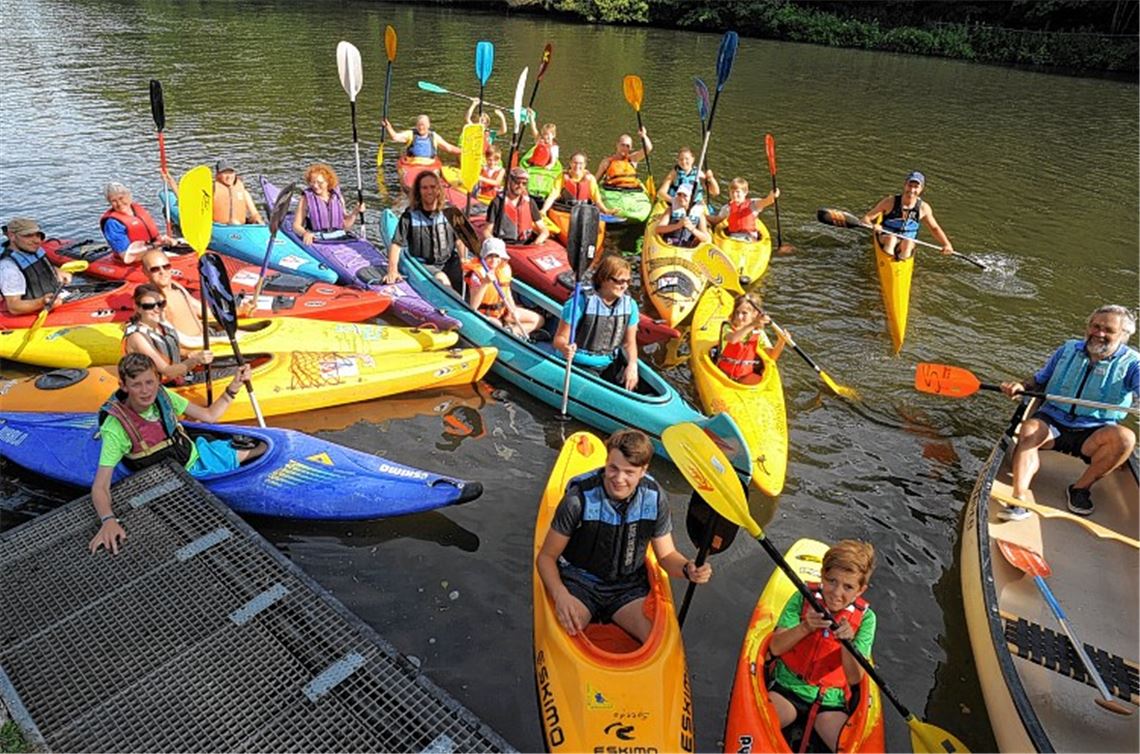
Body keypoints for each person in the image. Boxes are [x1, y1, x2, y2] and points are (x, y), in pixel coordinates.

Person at [536, 428, 711, 643]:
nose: (618, 479)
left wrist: (688, 569)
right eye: (613, 468)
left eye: (629, 472)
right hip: (580, 582)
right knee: (569, 634)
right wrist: (560, 594)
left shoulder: (654, 499)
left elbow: (666, 556)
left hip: (626, 588)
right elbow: (546, 558)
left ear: (643, 471)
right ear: (606, 462)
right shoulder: (577, 500)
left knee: (657, 640)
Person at [88, 353, 261, 555]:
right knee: (251, 455)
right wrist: (108, 520)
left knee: (261, 450)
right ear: (124, 386)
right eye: (136, 385)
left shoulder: (164, 396)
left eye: (150, 382)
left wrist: (235, 385)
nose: (145, 391)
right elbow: (100, 486)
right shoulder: (115, 429)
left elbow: (210, 415)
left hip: (197, 452)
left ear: (158, 381)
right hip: (178, 475)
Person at [998, 305, 1139, 519]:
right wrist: (1021, 386)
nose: (1099, 333)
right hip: (1052, 421)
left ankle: (1080, 489)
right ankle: (1018, 500)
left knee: (1126, 439)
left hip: (1094, 432)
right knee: (1028, 429)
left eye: (1108, 330)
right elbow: (1038, 380)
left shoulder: (1133, 364)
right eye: (1095, 326)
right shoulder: (1068, 349)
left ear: (1123, 335)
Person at [768, 540, 877, 753]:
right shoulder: (802, 598)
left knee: (851, 747)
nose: (837, 593)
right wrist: (806, 626)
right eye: (832, 581)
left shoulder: (866, 619)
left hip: (829, 702)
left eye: (848, 587)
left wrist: (847, 644)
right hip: (787, 689)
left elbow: (855, 679)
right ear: (822, 577)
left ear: (860, 590)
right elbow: (776, 647)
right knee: (763, 722)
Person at [553, 255, 640, 391]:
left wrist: (632, 365)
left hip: (609, 362)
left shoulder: (630, 305)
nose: (624, 286)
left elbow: (629, 342)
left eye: (628, 281)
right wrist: (565, 348)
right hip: (579, 362)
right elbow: (559, 339)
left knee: (633, 386)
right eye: (619, 281)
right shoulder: (580, 302)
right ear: (603, 279)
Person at [386, 170, 467, 289]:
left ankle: (475, 306)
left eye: (433, 187)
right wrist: (392, 270)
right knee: (442, 279)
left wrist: (464, 260)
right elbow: (396, 245)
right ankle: (455, 304)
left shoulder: (450, 213)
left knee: (475, 276)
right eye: (424, 188)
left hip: (449, 261)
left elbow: (459, 241)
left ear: (439, 189)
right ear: (419, 191)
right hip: (423, 265)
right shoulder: (409, 216)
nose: (429, 191)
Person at [122, 283, 214, 384]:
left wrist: (188, 354)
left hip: (183, 377)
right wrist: (195, 361)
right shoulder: (137, 337)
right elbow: (167, 371)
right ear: (137, 308)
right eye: (149, 306)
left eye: (161, 304)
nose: (157, 309)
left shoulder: (163, 325)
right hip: (158, 387)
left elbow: (169, 349)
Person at [860, 171, 954, 260]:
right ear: (905, 185)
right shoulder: (889, 202)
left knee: (908, 242)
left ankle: (901, 262)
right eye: (910, 185)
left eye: (916, 187)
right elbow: (866, 219)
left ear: (921, 189)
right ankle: (888, 261)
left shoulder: (923, 208)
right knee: (891, 239)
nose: (912, 190)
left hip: (907, 240)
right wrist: (873, 226)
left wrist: (947, 244)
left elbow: (934, 228)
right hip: (886, 236)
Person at [465, 238, 544, 336]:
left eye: (497, 256)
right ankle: (509, 333)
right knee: (497, 328)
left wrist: (513, 309)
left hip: (503, 311)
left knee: (539, 320)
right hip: (486, 314)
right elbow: (473, 306)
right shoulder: (477, 275)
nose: (494, 260)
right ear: (484, 256)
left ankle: (512, 331)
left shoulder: (504, 269)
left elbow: (507, 292)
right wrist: (485, 283)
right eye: (490, 256)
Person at [1, 218, 73, 315]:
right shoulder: (8, 268)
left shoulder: (33, 249)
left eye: (38, 235)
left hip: (58, 296)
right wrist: (42, 302)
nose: (37, 240)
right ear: (12, 236)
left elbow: (42, 267)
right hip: (35, 311)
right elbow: (14, 307)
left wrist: (57, 271)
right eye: (28, 236)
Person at [714, 293, 787, 385]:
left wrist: (781, 341)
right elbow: (733, 339)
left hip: (745, 375)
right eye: (737, 312)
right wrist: (753, 324)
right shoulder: (728, 327)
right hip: (722, 373)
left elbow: (772, 356)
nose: (739, 317)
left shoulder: (758, 332)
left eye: (744, 313)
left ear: (755, 314)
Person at [292, 163, 365, 247]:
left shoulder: (337, 196)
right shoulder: (306, 198)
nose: (315, 186)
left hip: (340, 238)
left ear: (328, 182)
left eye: (320, 183)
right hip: (318, 239)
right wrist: (305, 233)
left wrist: (355, 212)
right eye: (312, 182)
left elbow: (345, 226)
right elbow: (296, 226)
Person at [100, 181, 176, 258]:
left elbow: (153, 237)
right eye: (114, 201)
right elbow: (125, 255)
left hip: (152, 251)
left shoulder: (137, 210)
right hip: (133, 259)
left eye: (121, 198)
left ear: (128, 196)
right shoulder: (112, 223)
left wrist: (163, 240)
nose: (119, 203)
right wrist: (154, 245)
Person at [484, 167, 550, 246]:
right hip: (504, 244)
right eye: (517, 182)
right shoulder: (497, 202)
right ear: (509, 182)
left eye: (524, 183)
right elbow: (487, 231)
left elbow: (543, 229)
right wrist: (494, 244)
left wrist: (540, 239)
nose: (520, 186)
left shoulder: (530, 202)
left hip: (525, 245)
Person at [539, 152, 615, 217]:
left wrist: (605, 210)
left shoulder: (590, 178)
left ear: (585, 165)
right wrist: (544, 210)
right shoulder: (562, 177)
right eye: (575, 163)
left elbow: (597, 200)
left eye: (580, 163)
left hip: (584, 211)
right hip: (565, 209)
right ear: (570, 163)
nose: (577, 166)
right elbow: (553, 195)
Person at [710, 178, 779, 241]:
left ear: (745, 192)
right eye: (732, 192)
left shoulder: (753, 204)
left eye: (737, 192)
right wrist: (704, 216)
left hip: (750, 236)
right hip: (733, 237)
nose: (734, 194)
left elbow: (767, 201)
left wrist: (772, 196)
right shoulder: (727, 208)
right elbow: (716, 220)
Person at [384, 114, 461, 161]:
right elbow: (395, 137)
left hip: (430, 164)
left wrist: (463, 152)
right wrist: (388, 127)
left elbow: (449, 148)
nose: (421, 127)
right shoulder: (410, 134)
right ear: (416, 126)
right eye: (419, 125)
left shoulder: (434, 136)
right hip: (413, 164)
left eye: (423, 125)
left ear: (428, 125)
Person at [655, 183, 710, 247]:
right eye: (679, 194)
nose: (681, 198)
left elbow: (705, 238)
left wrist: (692, 228)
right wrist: (677, 226)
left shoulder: (699, 213)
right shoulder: (670, 209)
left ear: (692, 198)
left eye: (685, 195)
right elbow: (658, 229)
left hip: (687, 247)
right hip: (669, 243)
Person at [213, 160, 264, 225]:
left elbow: (254, 213)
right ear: (218, 175)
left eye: (231, 173)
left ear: (235, 174)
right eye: (225, 173)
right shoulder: (212, 191)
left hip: (240, 227)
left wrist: (258, 220)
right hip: (220, 228)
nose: (229, 177)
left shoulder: (244, 192)